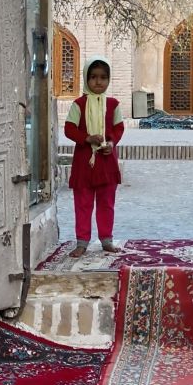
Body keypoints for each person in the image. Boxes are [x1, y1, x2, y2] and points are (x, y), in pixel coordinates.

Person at [64, 56, 125, 257]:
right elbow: (69, 129)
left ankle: (106, 240)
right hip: (84, 163)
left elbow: (119, 127)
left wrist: (111, 143)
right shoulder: (78, 105)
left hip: (107, 162)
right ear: (86, 79)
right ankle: (82, 242)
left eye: (103, 77)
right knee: (83, 203)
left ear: (109, 80)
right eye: (93, 77)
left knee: (107, 203)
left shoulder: (114, 104)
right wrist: (87, 138)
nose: (98, 82)